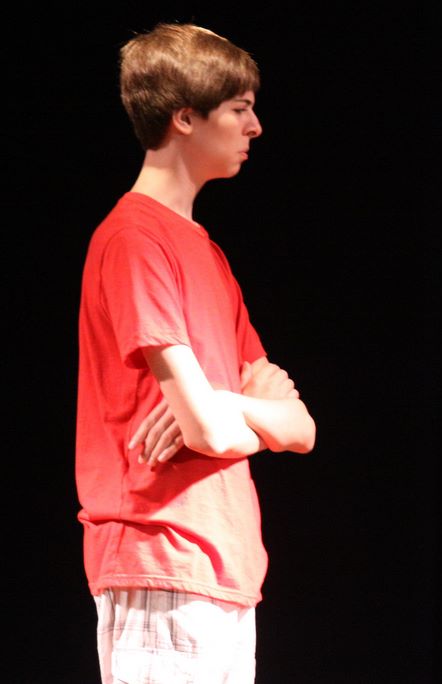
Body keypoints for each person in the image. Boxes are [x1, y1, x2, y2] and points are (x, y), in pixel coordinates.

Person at [76, 23, 316, 683]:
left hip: (226, 565)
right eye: (239, 108)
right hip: (160, 554)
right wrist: (223, 416)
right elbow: (208, 432)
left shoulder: (207, 254)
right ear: (185, 117)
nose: (255, 126)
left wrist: (224, 401)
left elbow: (300, 429)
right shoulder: (135, 239)